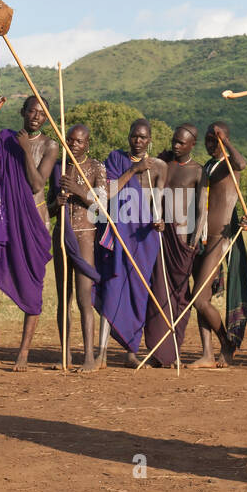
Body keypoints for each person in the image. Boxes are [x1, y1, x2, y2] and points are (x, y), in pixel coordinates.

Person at [0, 96, 57, 371]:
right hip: (5, 220)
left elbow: (36, 183)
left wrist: (25, 149)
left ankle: (23, 353)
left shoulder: (49, 146)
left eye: (41, 113)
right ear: (23, 112)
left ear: (46, 117)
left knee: (33, 287)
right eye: (32, 111)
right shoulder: (5, 139)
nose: (36, 116)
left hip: (34, 223)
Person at [95, 119, 167, 368]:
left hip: (145, 238)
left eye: (143, 137)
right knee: (112, 288)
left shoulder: (159, 167)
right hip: (119, 231)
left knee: (138, 292)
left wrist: (160, 222)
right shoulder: (115, 159)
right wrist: (134, 171)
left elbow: (157, 203)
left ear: (150, 140)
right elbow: (109, 192)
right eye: (134, 136)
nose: (138, 141)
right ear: (128, 137)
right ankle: (102, 352)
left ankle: (131, 352)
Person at [189, 122, 247, 368]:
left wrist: (225, 142)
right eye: (208, 139)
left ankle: (226, 343)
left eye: (215, 140)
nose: (210, 144)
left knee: (199, 299)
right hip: (202, 238)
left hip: (219, 239)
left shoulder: (228, 164)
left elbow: (242, 164)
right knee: (202, 299)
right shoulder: (208, 165)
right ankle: (207, 353)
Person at [143, 124, 201, 367]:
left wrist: (194, 241)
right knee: (157, 290)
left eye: (181, 143)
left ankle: (173, 350)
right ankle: (158, 353)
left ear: (191, 145)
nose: (176, 146)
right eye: (174, 141)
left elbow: (200, 209)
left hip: (182, 240)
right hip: (160, 234)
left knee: (178, 296)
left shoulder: (197, 171)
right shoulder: (164, 163)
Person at [52, 123, 107, 371]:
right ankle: (66, 355)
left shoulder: (96, 168)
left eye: (79, 141)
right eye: (70, 140)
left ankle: (88, 357)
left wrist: (79, 191)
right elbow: (51, 208)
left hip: (85, 236)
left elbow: (103, 208)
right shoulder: (59, 167)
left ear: (87, 143)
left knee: (84, 297)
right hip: (61, 234)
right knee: (64, 298)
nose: (74, 145)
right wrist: (58, 201)